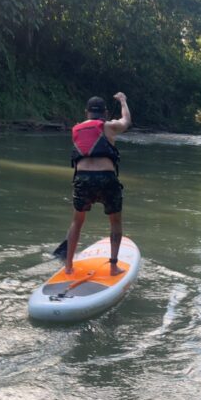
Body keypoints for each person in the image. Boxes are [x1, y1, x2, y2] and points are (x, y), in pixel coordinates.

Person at [64, 92, 131, 276]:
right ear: (105, 112)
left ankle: (68, 266)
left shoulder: (76, 129)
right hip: (106, 179)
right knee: (115, 222)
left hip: (82, 179)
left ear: (86, 112)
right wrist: (123, 101)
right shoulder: (108, 126)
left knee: (77, 222)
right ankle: (113, 267)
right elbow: (126, 122)